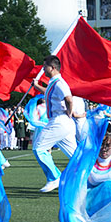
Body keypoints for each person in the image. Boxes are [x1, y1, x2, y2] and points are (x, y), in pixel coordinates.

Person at [30, 55, 77, 193]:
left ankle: (55, 177)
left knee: (38, 148)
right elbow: (49, 93)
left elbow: (69, 99)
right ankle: (95, 177)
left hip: (59, 121)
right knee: (76, 156)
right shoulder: (53, 83)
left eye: (45, 66)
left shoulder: (60, 83)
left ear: (53, 67)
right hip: (63, 123)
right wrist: (37, 86)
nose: (43, 69)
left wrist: (69, 111)